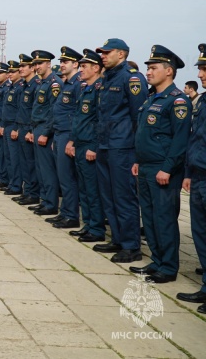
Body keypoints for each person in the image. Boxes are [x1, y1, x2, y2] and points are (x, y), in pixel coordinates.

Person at [129, 46, 190, 283]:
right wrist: (137, 160)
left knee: (164, 219)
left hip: (163, 169)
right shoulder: (151, 98)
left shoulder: (177, 101)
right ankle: (157, 260)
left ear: (169, 71)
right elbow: (145, 134)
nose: (148, 72)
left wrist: (167, 167)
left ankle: (168, 267)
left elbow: (180, 139)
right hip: (145, 166)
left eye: (153, 68)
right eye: (147, 68)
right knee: (151, 217)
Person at [94, 38, 148, 263]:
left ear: (122, 54)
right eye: (102, 53)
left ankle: (131, 245)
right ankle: (117, 238)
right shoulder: (107, 78)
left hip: (122, 147)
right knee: (108, 196)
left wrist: (137, 153)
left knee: (124, 197)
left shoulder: (132, 78)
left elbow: (139, 117)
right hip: (105, 145)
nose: (103, 56)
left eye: (107, 52)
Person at [177, 43, 206, 312]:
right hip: (198, 176)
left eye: (205, 69)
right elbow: (195, 139)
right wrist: (188, 173)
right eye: (201, 69)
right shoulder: (204, 101)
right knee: (200, 235)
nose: (201, 75)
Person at [67, 49, 106, 243]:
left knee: (92, 189)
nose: (81, 70)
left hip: (90, 145)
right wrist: (73, 141)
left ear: (96, 68)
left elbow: (101, 121)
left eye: (84, 66)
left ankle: (97, 228)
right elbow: (79, 119)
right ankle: (89, 224)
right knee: (84, 189)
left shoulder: (100, 89)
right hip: (80, 144)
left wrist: (94, 146)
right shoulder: (86, 89)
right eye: (80, 66)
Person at [46, 47, 82, 229]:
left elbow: (78, 114)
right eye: (61, 62)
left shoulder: (78, 84)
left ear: (75, 64)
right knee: (62, 176)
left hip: (68, 134)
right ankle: (65, 212)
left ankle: (71, 215)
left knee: (68, 178)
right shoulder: (66, 83)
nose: (61, 65)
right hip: (60, 134)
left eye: (65, 62)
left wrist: (72, 140)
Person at [29, 50, 62, 216]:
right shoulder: (41, 83)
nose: (37, 67)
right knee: (40, 168)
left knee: (48, 169)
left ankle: (51, 203)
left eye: (40, 63)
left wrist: (46, 133)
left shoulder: (54, 83)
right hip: (37, 127)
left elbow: (53, 111)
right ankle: (44, 200)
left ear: (49, 64)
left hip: (45, 129)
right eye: (35, 64)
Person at [13, 54, 41, 206]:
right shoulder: (24, 86)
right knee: (24, 162)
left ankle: (34, 194)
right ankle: (27, 192)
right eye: (20, 66)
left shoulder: (36, 85)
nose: (21, 69)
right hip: (21, 127)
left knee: (31, 163)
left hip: (30, 129)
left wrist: (31, 129)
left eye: (24, 66)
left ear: (32, 68)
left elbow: (35, 111)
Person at [1, 60, 23, 196]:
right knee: (8, 157)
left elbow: (20, 110)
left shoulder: (20, 88)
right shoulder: (11, 87)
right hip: (7, 125)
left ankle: (16, 185)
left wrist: (16, 127)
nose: (10, 74)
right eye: (9, 72)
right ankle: (11, 182)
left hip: (14, 126)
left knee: (15, 159)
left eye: (13, 72)